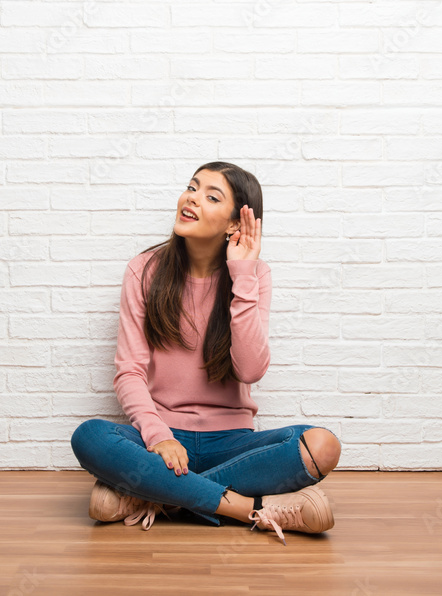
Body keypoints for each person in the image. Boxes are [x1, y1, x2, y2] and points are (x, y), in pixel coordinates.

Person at [70, 161, 342, 545]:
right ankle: (247, 507)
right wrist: (158, 435)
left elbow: (249, 370)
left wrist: (242, 275)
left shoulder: (254, 274)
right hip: (160, 443)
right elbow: (129, 371)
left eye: (211, 196)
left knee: (322, 445)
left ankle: (156, 496)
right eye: (192, 188)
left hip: (232, 444)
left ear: (234, 224)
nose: (192, 198)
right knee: (90, 436)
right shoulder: (144, 269)